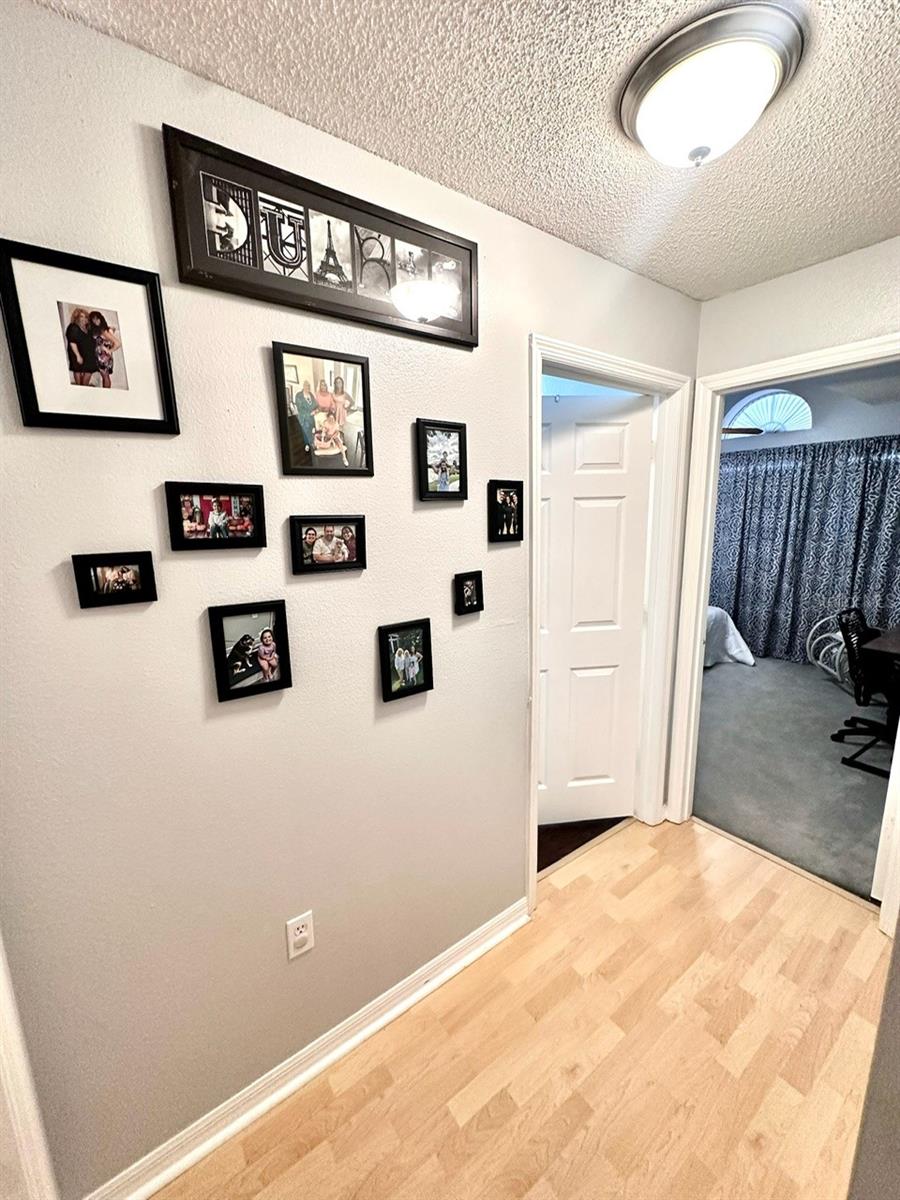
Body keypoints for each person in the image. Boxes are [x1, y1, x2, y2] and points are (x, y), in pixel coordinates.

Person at [88, 311, 121, 388]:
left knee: (105, 377)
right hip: (100, 357)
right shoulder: (101, 329)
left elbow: (118, 343)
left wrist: (109, 350)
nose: (95, 321)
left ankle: (107, 393)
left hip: (104, 357)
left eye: (97, 319)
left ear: (101, 318)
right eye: (93, 320)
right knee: (104, 376)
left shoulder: (103, 331)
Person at [64, 307, 95, 386]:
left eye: (85, 316)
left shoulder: (88, 327)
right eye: (81, 316)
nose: (84, 318)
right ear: (76, 317)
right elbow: (72, 342)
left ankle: (84, 387)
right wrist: (78, 356)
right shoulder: (73, 327)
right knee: (77, 370)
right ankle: (79, 387)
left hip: (87, 353)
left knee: (88, 371)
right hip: (76, 352)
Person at [294, 380, 317, 451]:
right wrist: (310, 413)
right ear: (303, 386)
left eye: (309, 386)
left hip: (312, 418)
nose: (308, 388)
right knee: (306, 431)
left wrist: (316, 409)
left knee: (312, 430)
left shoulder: (311, 394)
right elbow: (300, 409)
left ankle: (312, 442)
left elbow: (315, 404)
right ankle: (307, 444)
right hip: (304, 418)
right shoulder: (299, 396)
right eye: (306, 386)